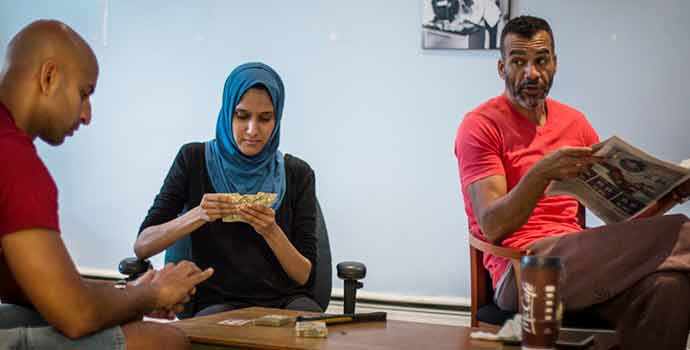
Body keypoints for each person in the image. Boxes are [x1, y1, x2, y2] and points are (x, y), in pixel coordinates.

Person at [455, 15, 690, 349]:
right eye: (518, 62)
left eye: (541, 60)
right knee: (682, 231)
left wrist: (667, 197)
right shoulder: (480, 126)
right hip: (524, 271)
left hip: (583, 262)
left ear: (555, 63)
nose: (531, 73)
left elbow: (618, 219)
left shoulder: (574, 122)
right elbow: (493, 225)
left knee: (670, 287)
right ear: (501, 68)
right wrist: (541, 173)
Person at [0, 20, 214, 349]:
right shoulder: (13, 159)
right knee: (165, 341)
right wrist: (151, 293)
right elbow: (75, 313)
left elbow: (29, 288)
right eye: (84, 93)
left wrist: (133, 297)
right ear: (49, 77)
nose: (87, 114)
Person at [133, 62, 321, 317]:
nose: (253, 130)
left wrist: (271, 231)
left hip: (285, 301)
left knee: (311, 328)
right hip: (217, 302)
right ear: (227, 113)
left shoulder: (298, 174)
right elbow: (143, 246)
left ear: (277, 120)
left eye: (265, 118)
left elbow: (304, 276)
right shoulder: (193, 159)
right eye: (242, 116)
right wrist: (197, 215)